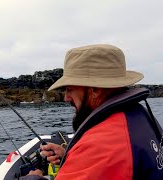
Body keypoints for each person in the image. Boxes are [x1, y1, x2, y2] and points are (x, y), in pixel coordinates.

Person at [22, 44, 163, 179]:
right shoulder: (140, 114)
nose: (65, 97)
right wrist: (70, 156)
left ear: (95, 90)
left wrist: (33, 178)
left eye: (70, 89)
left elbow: (103, 154)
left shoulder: (100, 146)